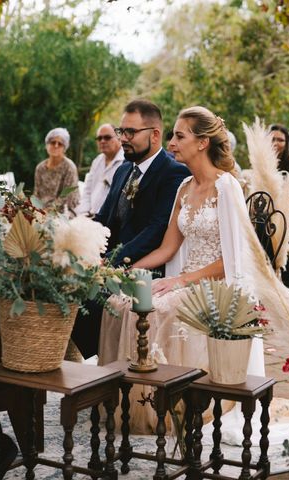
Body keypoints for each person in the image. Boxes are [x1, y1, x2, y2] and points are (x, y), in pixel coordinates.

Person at [99, 107, 289, 442]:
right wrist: (124, 270)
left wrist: (181, 281)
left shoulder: (227, 186)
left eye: (179, 136)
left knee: (159, 310)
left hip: (215, 286)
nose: (171, 142)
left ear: (202, 143)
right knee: (120, 301)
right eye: (171, 135)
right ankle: (131, 403)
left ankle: (174, 405)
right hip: (181, 279)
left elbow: (234, 258)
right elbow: (168, 249)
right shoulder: (184, 187)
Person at [71, 99, 190, 359]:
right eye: (121, 131)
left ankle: (105, 365)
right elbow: (104, 219)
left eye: (131, 132)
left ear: (155, 134)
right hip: (108, 264)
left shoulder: (174, 173)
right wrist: (79, 248)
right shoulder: (123, 170)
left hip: (145, 269)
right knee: (63, 287)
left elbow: (156, 230)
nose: (123, 138)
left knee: (88, 301)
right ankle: (101, 361)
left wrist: (112, 264)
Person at [75, 123, 125, 217]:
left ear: (119, 138)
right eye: (99, 138)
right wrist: (84, 214)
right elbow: (87, 190)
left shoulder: (126, 162)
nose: (102, 141)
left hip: (110, 220)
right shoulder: (97, 161)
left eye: (107, 137)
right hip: (89, 216)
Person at [33, 127, 80, 214]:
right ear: (47, 145)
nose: (56, 145)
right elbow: (36, 194)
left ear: (65, 148)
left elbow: (67, 196)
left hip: (64, 211)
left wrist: (48, 211)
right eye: (53, 142)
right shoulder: (40, 168)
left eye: (60, 143)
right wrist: (36, 209)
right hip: (42, 211)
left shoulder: (69, 167)